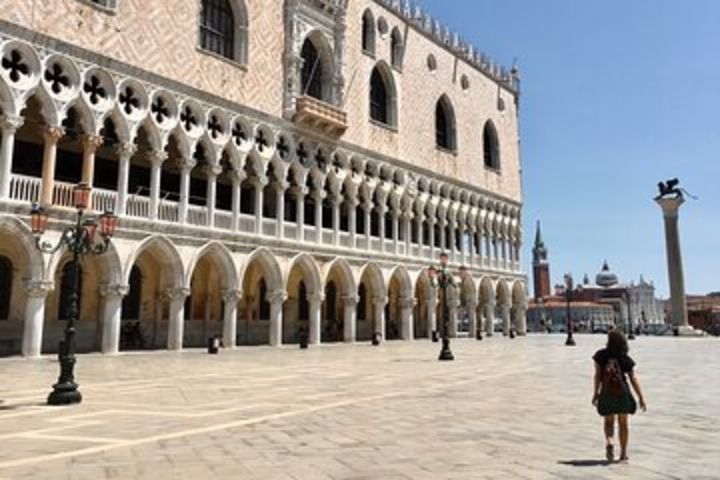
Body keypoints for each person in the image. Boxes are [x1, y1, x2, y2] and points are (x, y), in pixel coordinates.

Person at [592, 330, 647, 462]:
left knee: (609, 421)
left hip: (606, 392)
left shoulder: (600, 355)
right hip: (623, 392)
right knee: (623, 423)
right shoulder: (625, 358)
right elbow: (633, 379)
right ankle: (623, 453)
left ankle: (610, 441)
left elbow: (597, 376)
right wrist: (641, 397)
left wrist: (595, 393)